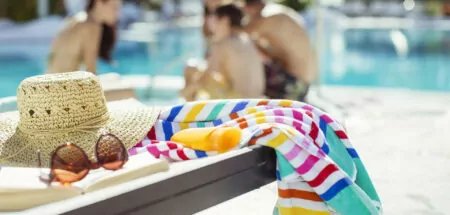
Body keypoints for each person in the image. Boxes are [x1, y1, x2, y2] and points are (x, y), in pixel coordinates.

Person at [181, 4, 265, 101]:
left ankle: (187, 107)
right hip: (256, 98)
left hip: (238, 100)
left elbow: (206, 76)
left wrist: (186, 92)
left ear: (225, 21)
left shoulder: (224, 44)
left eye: (215, 21)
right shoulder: (247, 39)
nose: (213, 26)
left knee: (190, 69)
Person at [243, 0, 318, 101]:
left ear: (248, 8)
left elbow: (240, 35)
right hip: (305, 83)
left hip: (294, 83)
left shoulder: (268, 16)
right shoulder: (277, 10)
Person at [47, 0, 121, 74]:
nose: (117, 14)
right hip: (63, 83)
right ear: (99, 2)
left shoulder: (79, 19)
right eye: (114, 8)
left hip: (53, 81)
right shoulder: (91, 25)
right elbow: (91, 71)